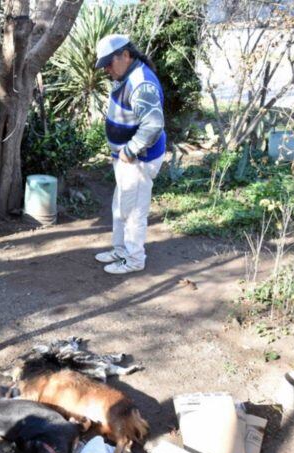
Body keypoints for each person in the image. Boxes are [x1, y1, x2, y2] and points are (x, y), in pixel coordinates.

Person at [93, 34, 166, 275]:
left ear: (125, 55)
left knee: (134, 211)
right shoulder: (126, 75)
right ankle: (121, 249)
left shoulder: (141, 83)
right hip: (126, 158)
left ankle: (134, 259)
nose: (106, 69)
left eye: (108, 63)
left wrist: (131, 149)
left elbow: (153, 124)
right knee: (121, 206)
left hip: (138, 159)